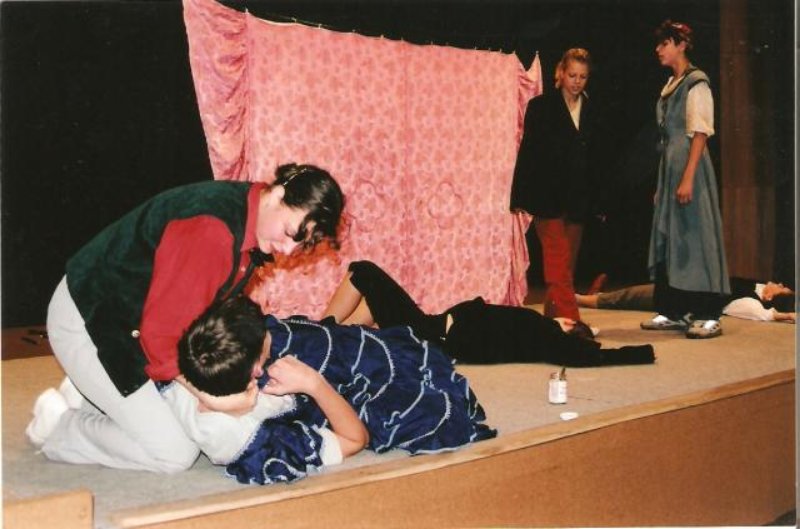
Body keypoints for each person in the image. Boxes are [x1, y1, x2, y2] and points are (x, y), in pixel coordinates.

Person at [25, 163, 345, 473]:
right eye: (289, 232)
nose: (287, 250)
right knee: (175, 453)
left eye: (300, 244)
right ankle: (59, 427)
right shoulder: (213, 232)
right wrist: (215, 399)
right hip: (92, 324)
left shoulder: (247, 212)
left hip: (129, 323)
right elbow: (160, 338)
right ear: (276, 194)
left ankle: (88, 396)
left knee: (183, 416)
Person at [171, 294, 497, 484]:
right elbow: (355, 439)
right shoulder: (252, 439)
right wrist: (314, 384)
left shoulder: (199, 358)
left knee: (328, 336)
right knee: (426, 409)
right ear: (255, 370)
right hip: (329, 385)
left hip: (317, 351)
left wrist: (218, 398)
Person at [322, 261, 655, 367]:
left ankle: (321, 331)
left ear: (569, 325)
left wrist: (641, 352)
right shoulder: (537, 328)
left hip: (431, 336)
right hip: (432, 328)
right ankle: (328, 341)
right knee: (372, 303)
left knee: (363, 271)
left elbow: (587, 356)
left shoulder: (545, 334)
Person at [643, 20, 730, 339]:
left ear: (681, 45)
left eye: (664, 43)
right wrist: (662, 184)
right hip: (671, 167)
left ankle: (709, 313)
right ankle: (673, 310)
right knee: (672, 240)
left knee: (696, 235)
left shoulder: (697, 83)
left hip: (690, 166)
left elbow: (700, 133)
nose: (658, 49)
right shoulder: (671, 84)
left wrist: (688, 177)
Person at [511, 48, 602, 321]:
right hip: (547, 198)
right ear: (560, 73)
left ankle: (554, 318)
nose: (577, 81)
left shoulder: (593, 109)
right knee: (557, 261)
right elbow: (529, 153)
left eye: (583, 77)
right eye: (572, 75)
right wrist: (520, 196)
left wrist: (598, 201)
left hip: (578, 199)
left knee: (566, 265)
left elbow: (598, 159)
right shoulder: (540, 107)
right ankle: (572, 321)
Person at [577, 277, 796, 324]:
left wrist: (786, 315)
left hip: (682, 298)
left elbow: (762, 314)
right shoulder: (755, 285)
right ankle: (597, 296)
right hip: (685, 287)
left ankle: (582, 300)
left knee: (630, 296)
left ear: (770, 297)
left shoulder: (751, 301)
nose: (778, 283)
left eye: (781, 287)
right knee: (632, 293)